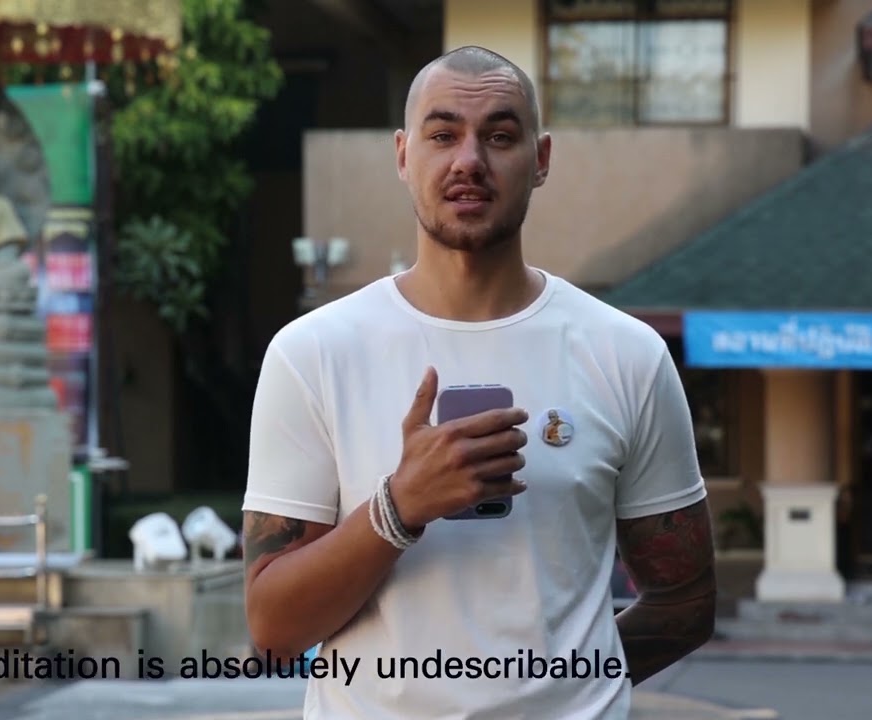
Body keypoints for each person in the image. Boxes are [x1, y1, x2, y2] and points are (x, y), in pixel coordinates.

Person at [241, 46, 716, 719]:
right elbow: (273, 628)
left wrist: (568, 694)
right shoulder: (313, 352)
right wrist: (398, 508)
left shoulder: (625, 354)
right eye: (443, 135)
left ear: (541, 158)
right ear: (404, 156)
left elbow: (686, 602)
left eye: (499, 135)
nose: (469, 160)